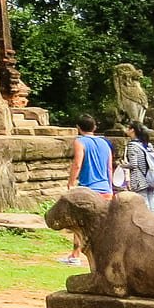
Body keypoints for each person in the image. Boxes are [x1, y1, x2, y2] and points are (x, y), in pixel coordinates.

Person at [62, 114, 113, 265]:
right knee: (103, 225)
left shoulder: (80, 142)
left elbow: (77, 163)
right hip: (105, 189)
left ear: (78, 128)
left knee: (79, 224)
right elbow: (109, 167)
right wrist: (110, 187)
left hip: (88, 189)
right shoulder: (105, 143)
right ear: (95, 127)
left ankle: (75, 256)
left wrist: (71, 183)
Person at [123, 122, 154, 214]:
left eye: (128, 128)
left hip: (139, 179)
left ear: (132, 130)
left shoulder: (132, 145)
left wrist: (123, 165)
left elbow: (133, 164)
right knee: (152, 203)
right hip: (151, 177)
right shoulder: (147, 145)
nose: (126, 130)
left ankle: (148, 225)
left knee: (144, 203)